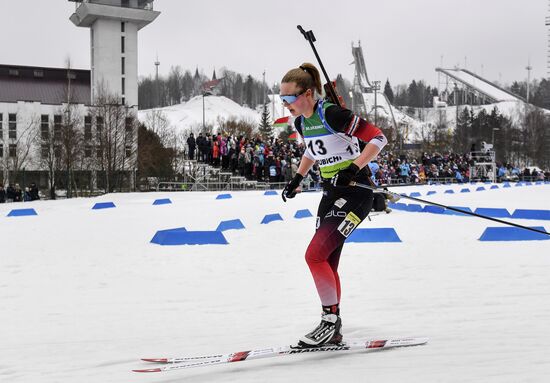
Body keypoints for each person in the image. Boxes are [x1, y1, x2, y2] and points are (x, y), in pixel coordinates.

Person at [279, 63, 387, 348]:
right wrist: (298, 177)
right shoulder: (302, 122)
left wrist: (354, 167)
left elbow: (378, 137)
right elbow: (312, 150)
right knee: (326, 261)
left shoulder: (332, 114)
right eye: (282, 99)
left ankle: (329, 322)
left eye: (289, 98)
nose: (285, 104)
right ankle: (333, 326)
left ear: (309, 93)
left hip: (356, 193)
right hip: (330, 194)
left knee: (314, 255)